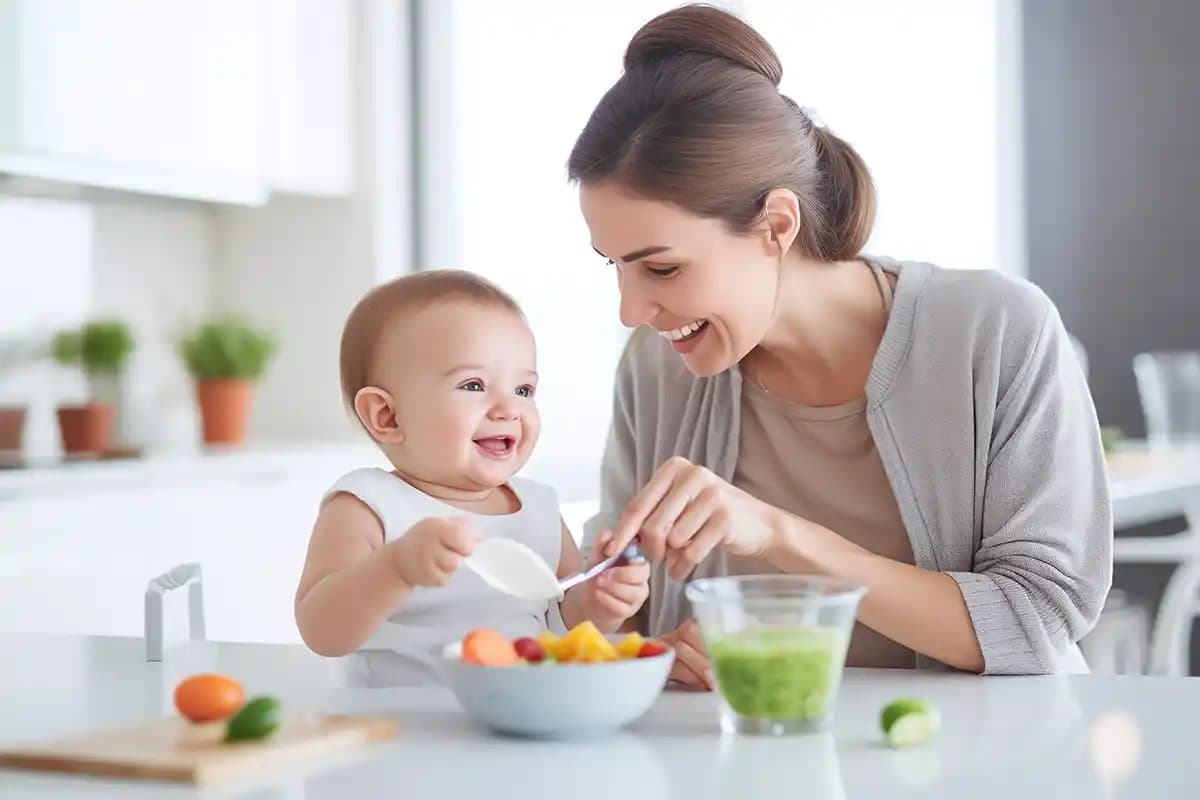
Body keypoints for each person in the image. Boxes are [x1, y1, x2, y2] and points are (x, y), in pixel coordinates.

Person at [569, 5, 1111, 685]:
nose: (630, 311)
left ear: (776, 223)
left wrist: (779, 534)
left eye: (662, 268)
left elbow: (1039, 621)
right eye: (612, 265)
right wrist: (647, 647)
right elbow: (617, 617)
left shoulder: (996, 331)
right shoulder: (658, 369)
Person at [294, 270, 650, 685]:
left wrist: (598, 603)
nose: (508, 409)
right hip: (401, 730)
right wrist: (396, 568)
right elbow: (321, 632)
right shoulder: (367, 506)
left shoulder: (538, 507)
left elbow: (561, 620)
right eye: (474, 384)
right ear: (387, 416)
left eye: (523, 390)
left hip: (516, 720)